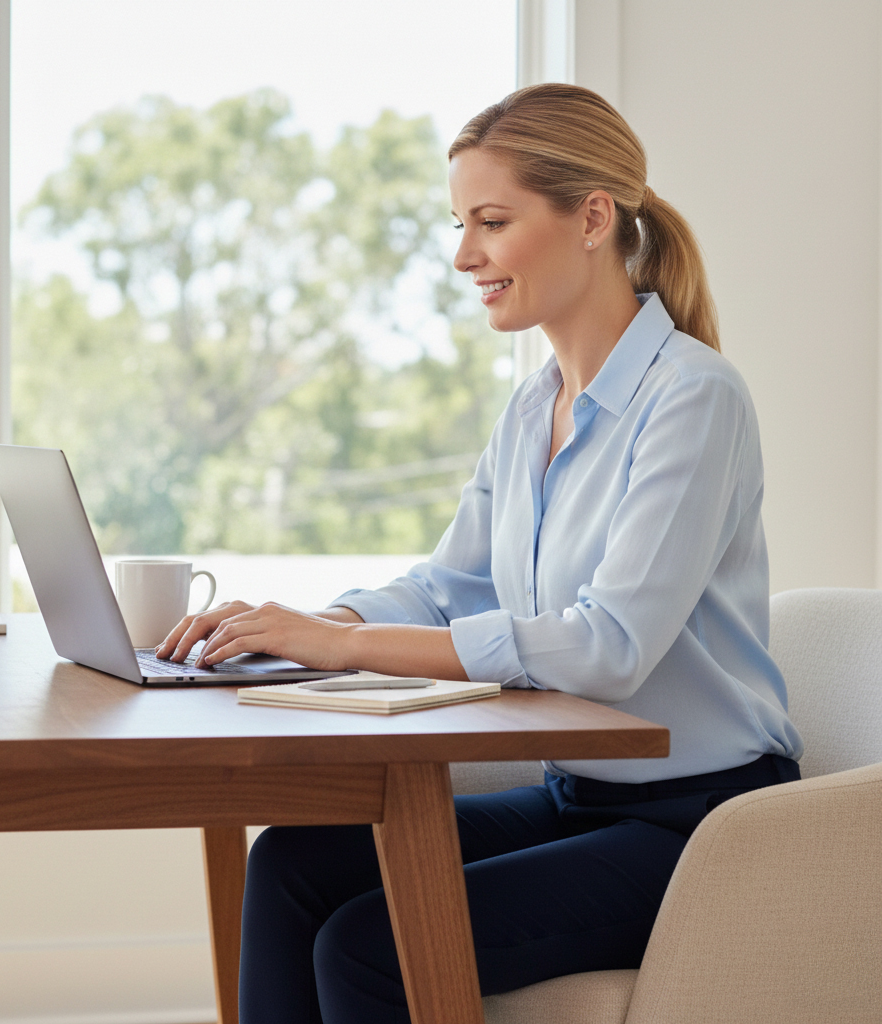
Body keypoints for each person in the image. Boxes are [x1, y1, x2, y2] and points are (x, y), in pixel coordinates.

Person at [156, 83, 803, 1024]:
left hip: (697, 824)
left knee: (370, 947)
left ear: (591, 218)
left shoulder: (694, 399)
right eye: (461, 224)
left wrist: (347, 650)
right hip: (578, 796)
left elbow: (609, 646)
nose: (465, 256)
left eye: (491, 222)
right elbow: (446, 585)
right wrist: (310, 627)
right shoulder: (532, 408)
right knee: (293, 864)